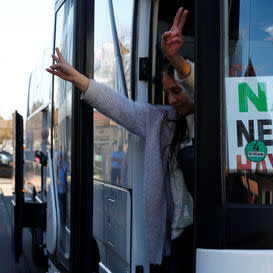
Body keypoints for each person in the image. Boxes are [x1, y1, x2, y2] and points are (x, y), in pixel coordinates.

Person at [46, 7, 195, 272]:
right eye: (167, 92)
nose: (171, 99)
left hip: (211, 234)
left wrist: (177, 62)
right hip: (179, 240)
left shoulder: (214, 114)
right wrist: (77, 78)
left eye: (176, 91)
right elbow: (118, 106)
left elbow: (198, 86)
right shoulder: (161, 121)